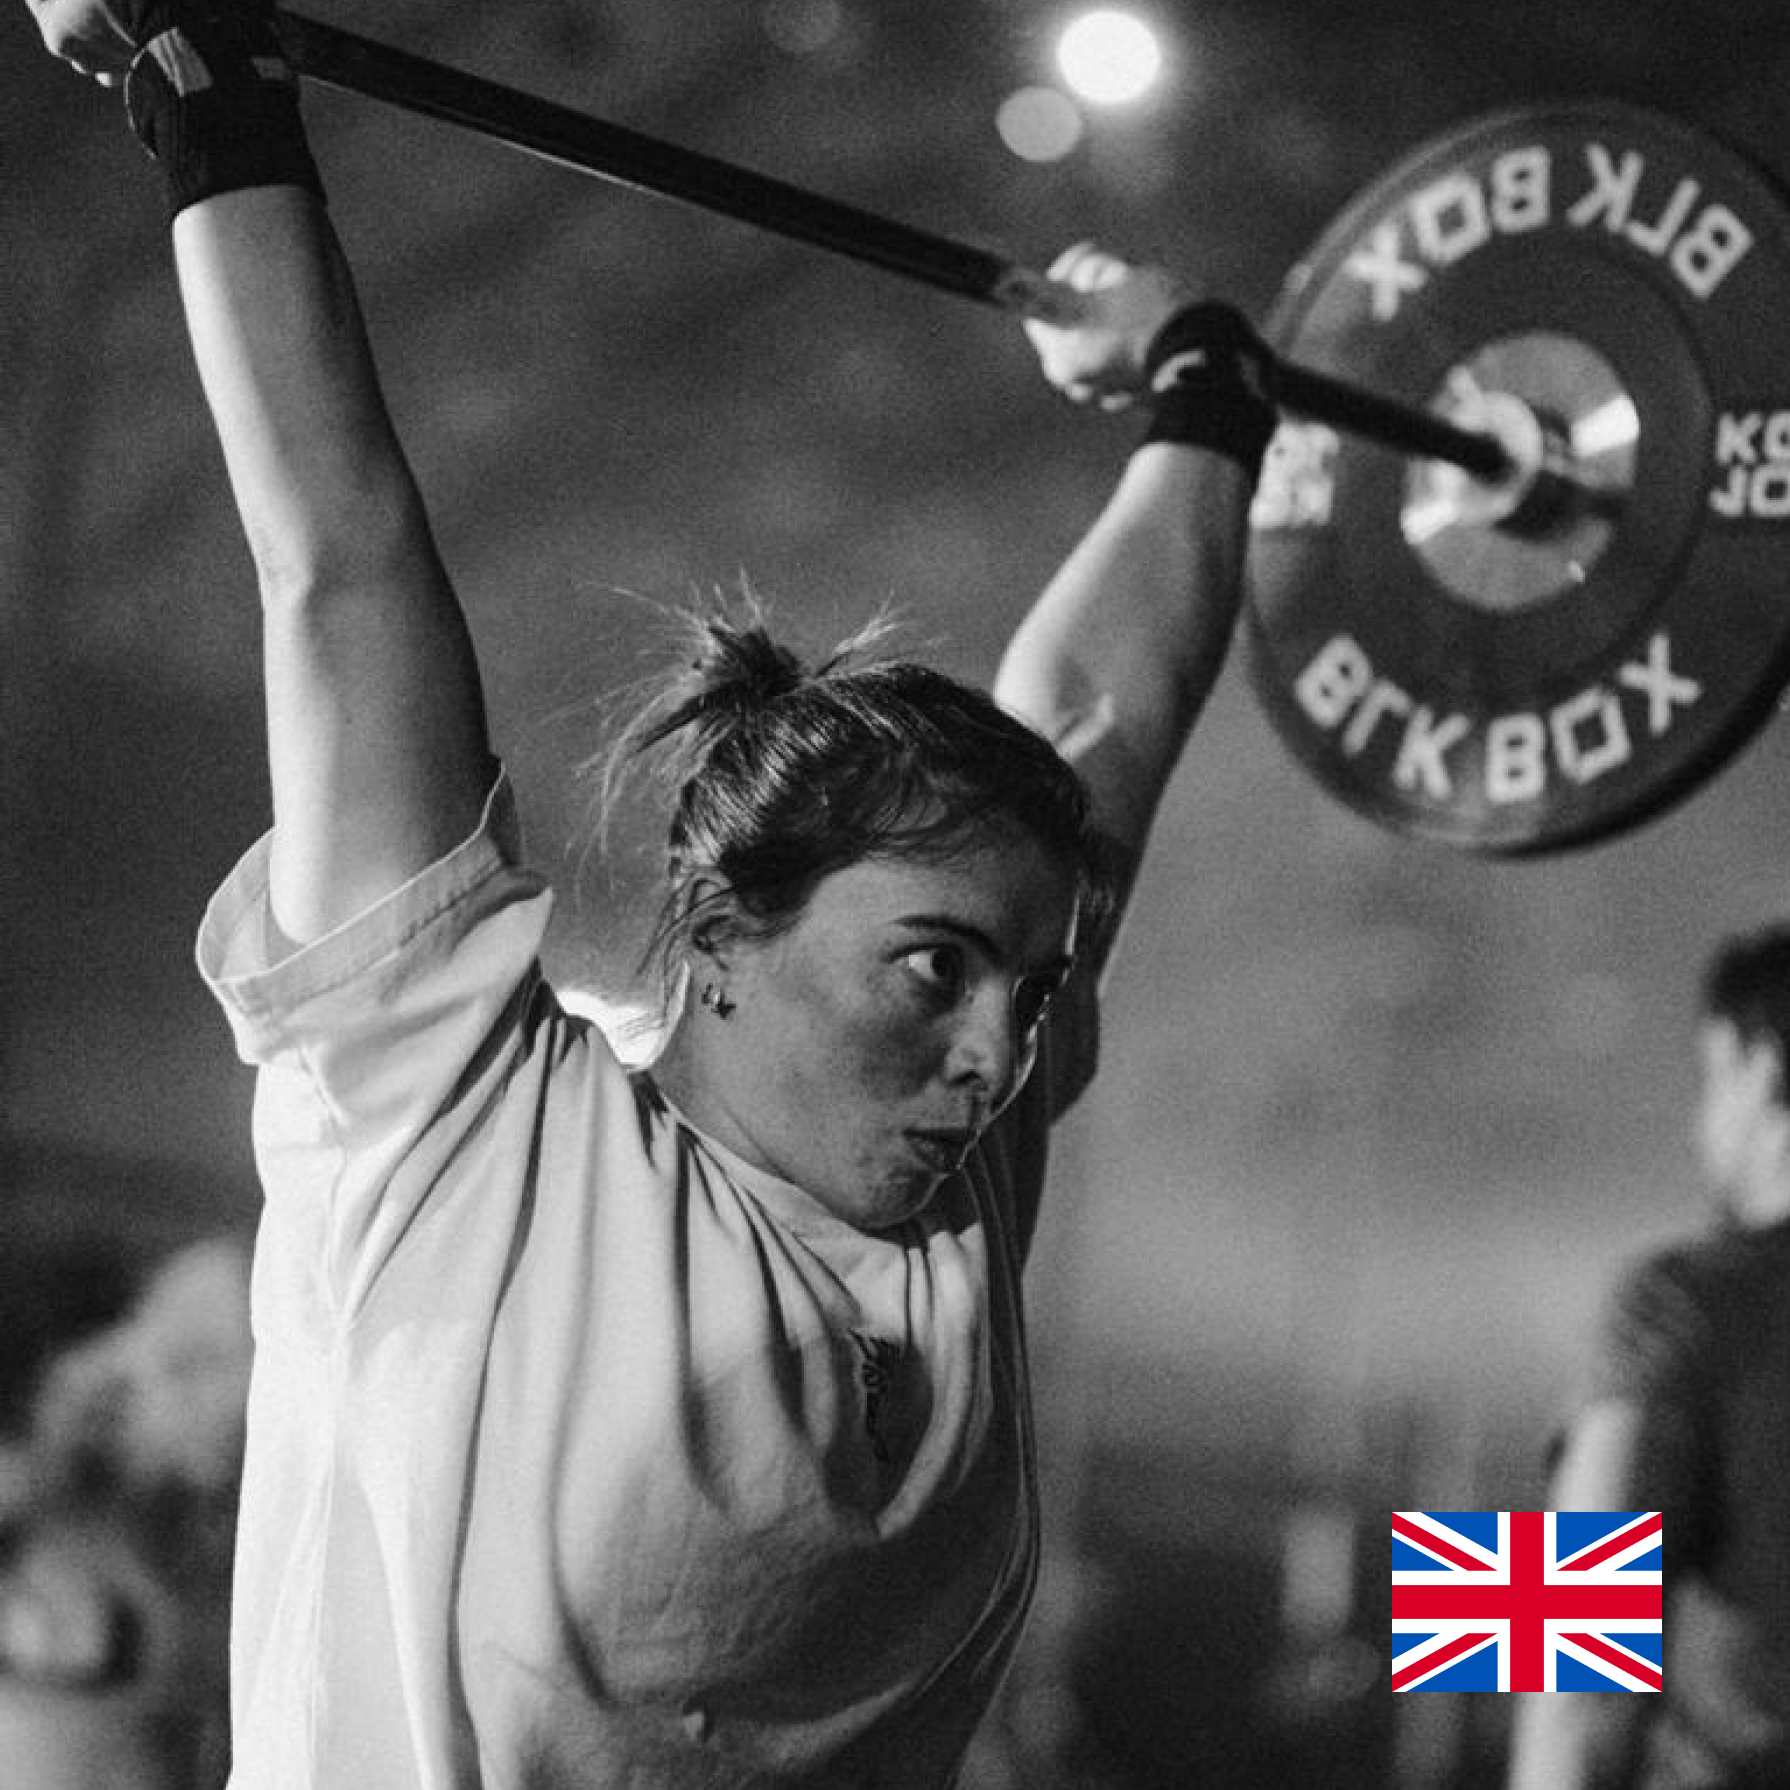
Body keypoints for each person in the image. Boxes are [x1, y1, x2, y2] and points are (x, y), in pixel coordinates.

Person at [24, 1, 1278, 1783]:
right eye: (934, 968)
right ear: (722, 933)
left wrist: (1207, 390)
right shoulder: (456, 1118)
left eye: (1034, 988)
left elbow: (1106, 720)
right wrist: (201, 88)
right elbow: (340, 562)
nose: (999, 1056)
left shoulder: (955, 1185)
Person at [1508, 927, 1790, 1790]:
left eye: (1708, 1081)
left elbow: (1570, 1673)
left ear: (1760, 1070)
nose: (1700, 1128)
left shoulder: (1679, 1303)